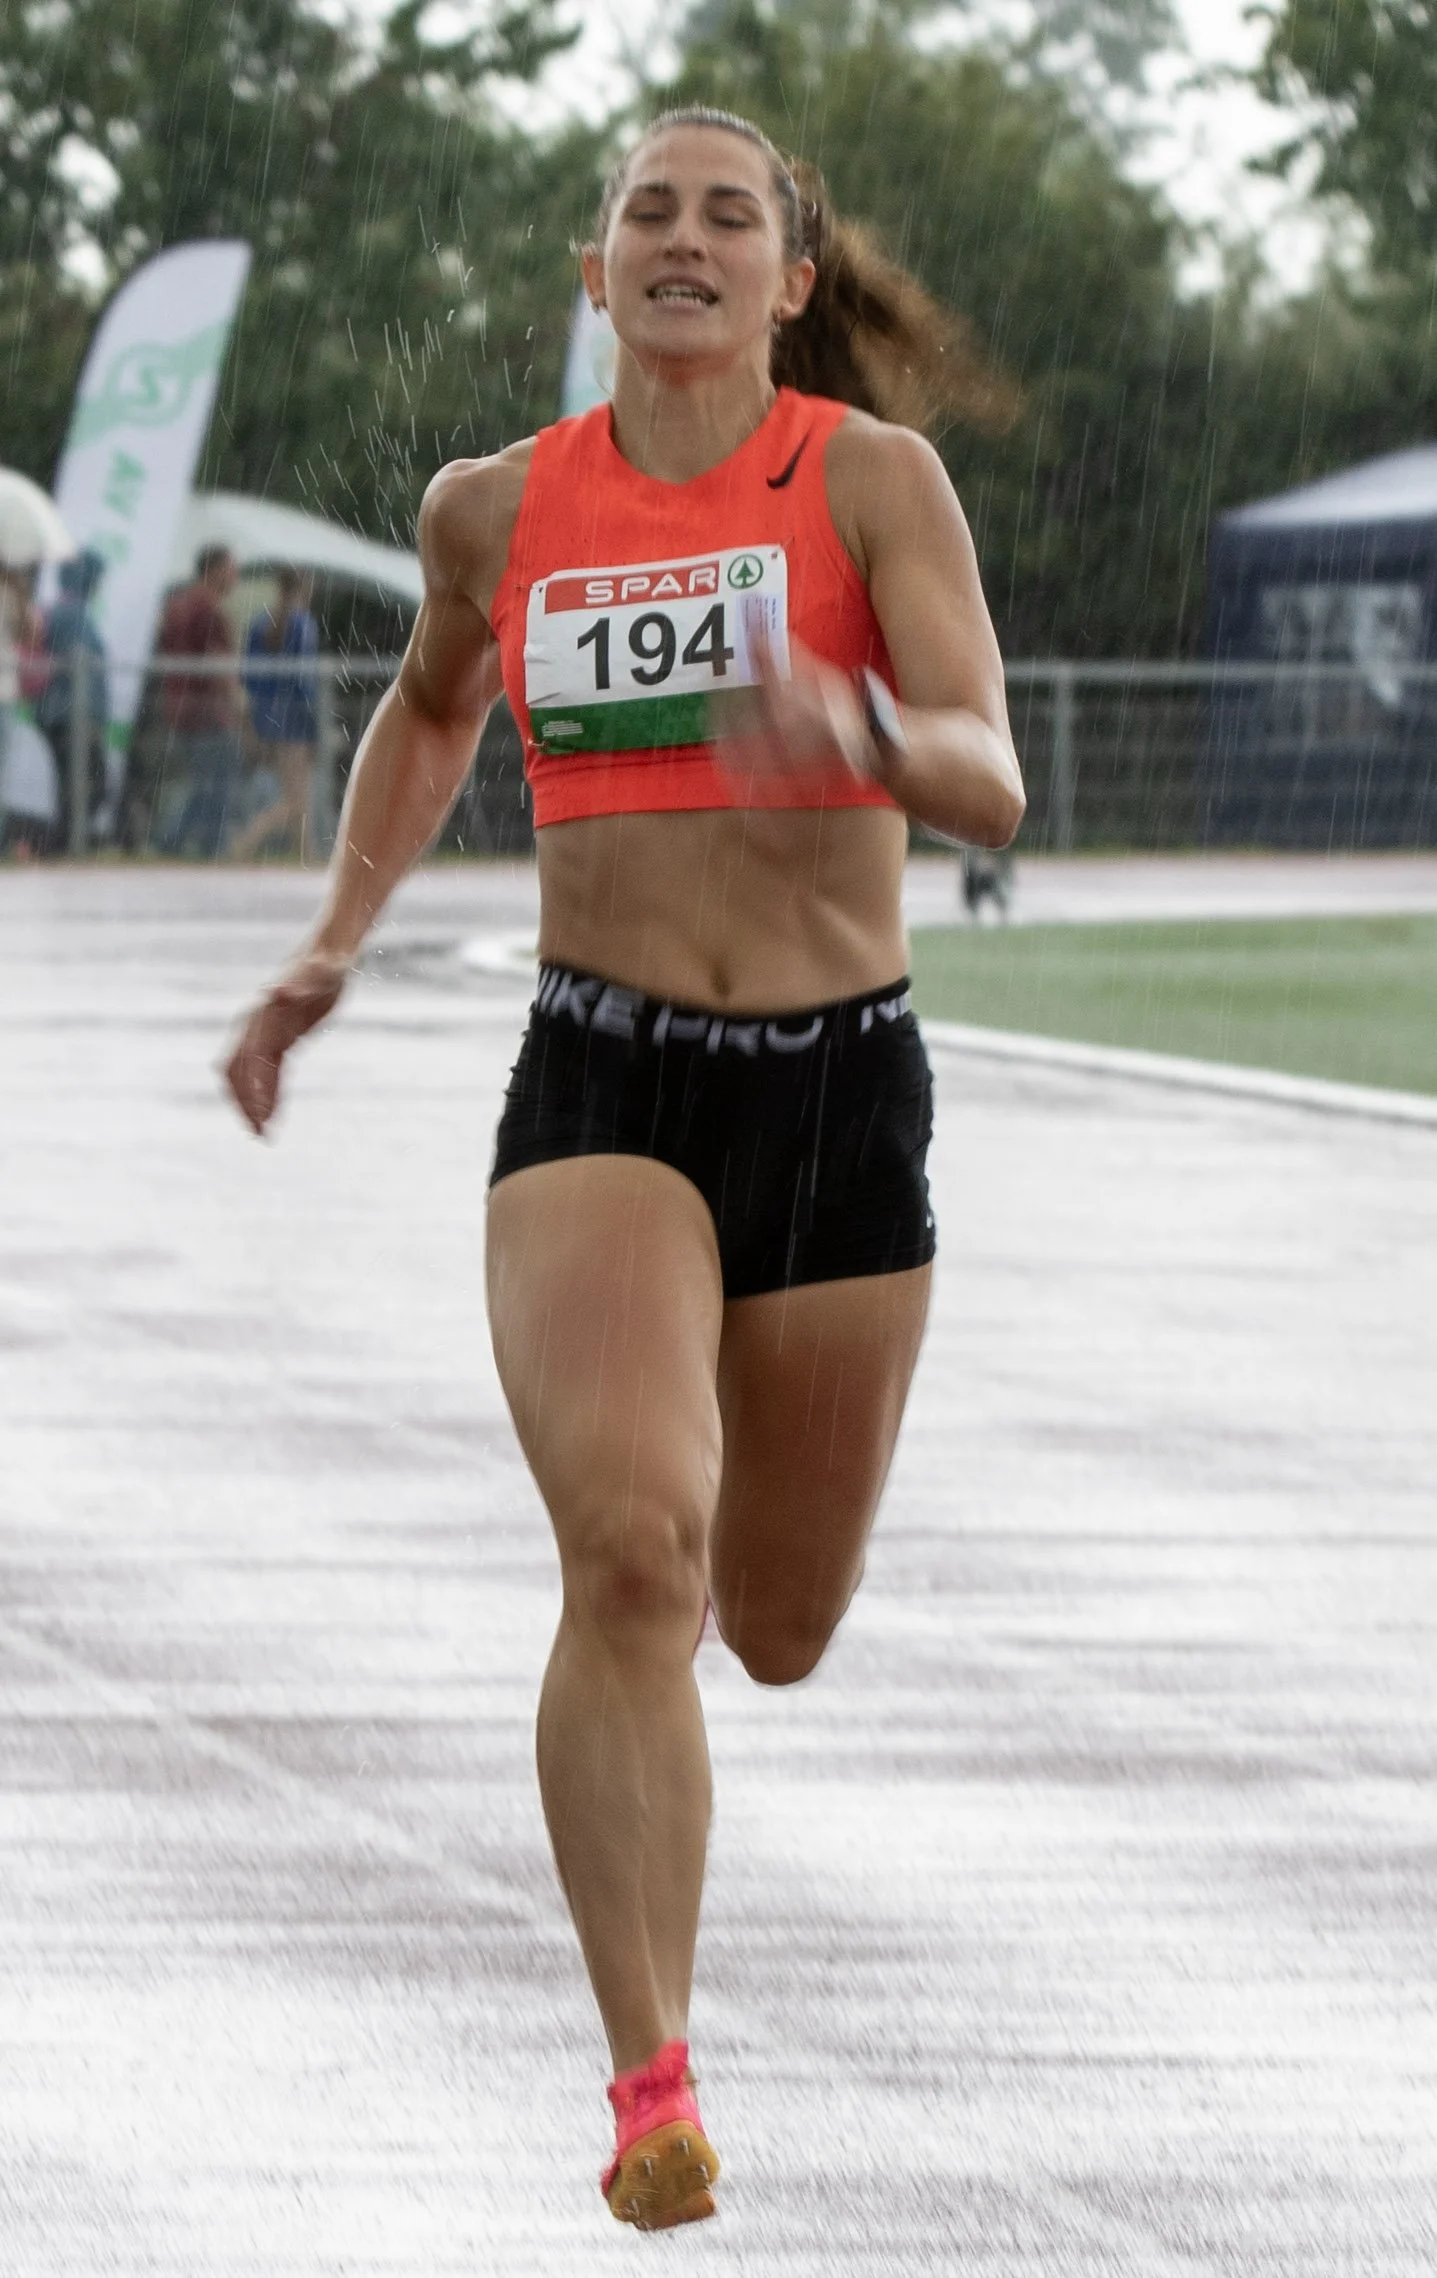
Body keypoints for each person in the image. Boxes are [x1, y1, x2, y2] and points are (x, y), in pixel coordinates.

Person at [225, 108, 1025, 2231]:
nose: (679, 239)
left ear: (787, 280)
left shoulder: (868, 482)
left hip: (841, 1092)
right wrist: (329, 947)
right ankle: (647, 2074)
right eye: (643, 212)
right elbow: (423, 714)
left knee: (766, 1621)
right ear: (597, 275)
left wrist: (851, 724)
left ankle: (684, 1870)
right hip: (599, 1084)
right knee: (632, 1557)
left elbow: (992, 773)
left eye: (725, 215)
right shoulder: (497, 508)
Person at [157, 544, 245, 857]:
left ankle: (173, 843)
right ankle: (194, 845)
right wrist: (239, 708)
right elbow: (218, 666)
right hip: (208, 713)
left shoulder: (178, 606)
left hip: (181, 707)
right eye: (231, 568)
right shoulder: (207, 610)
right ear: (214, 571)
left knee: (205, 783)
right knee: (215, 787)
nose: (236, 576)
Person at [230, 567, 321, 861]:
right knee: (296, 797)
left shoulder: (260, 623)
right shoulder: (303, 625)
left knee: (299, 794)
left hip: (264, 715)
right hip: (294, 717)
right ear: (304, 590)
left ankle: (305, 853)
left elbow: (248, 676)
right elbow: (305, 680)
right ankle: (246, 841)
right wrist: (313, 718)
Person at [38, 548, 110, 849]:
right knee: (87, 786)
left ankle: (63, 844)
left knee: (76, 786)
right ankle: (65, 846)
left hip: (60, 713)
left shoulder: (61, 610)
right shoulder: (73, 614)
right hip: (72, 715)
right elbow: (77, 661)